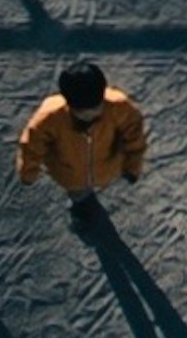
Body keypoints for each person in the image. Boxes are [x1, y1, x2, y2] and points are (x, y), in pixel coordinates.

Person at [14, 52, 147, 226]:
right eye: (83, 111)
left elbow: (134, 139)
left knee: (87, 189)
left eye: (96, 107)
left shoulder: (120, 108)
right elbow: (32, 147)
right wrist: (28, 173)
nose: (91, 114)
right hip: (70, 175)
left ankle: (84, 200)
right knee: (79, 194)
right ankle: (81, 204)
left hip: (107, 167)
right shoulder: (49, 118)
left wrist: (132, 167)